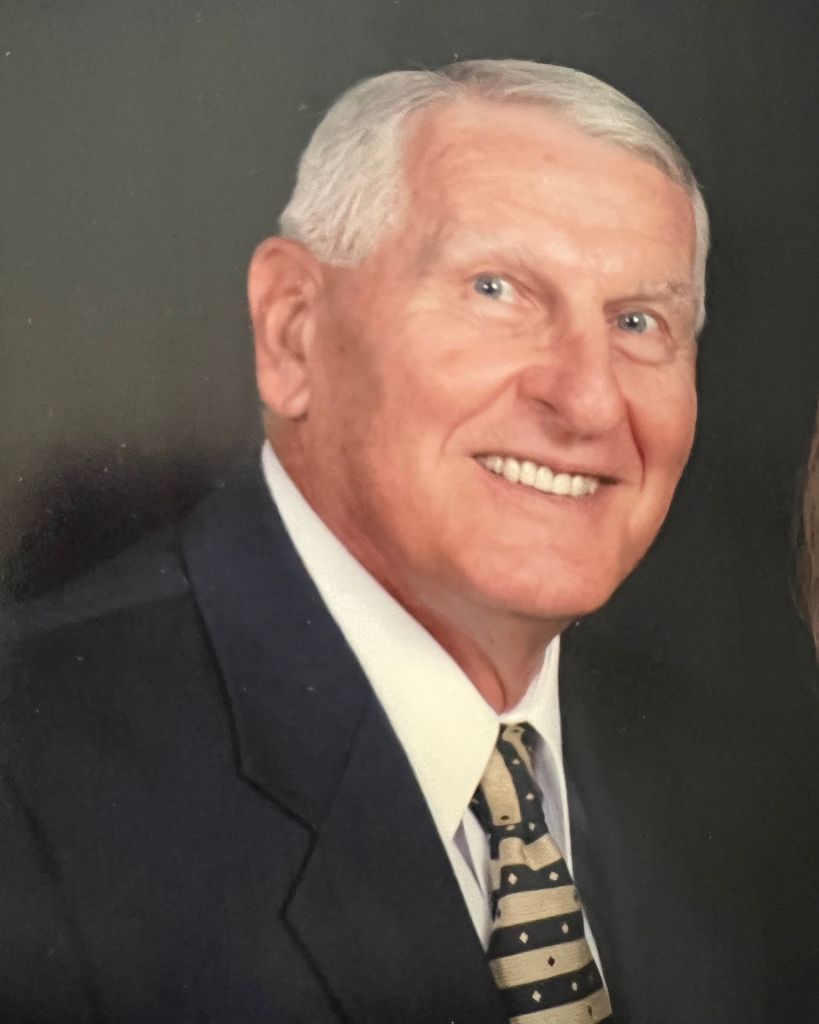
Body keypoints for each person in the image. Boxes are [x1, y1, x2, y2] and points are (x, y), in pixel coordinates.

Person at [1, 59, 815, 1023]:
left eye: (638, 321)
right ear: (293, 331)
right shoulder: (32, 775)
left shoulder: (742, 789)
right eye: (495, 290)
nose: (590, 400)